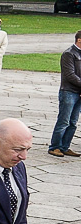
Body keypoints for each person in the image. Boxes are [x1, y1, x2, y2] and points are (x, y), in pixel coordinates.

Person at [48, 30, 81, 158]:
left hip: (78, 92)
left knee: (73, 122)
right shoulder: (69, 54)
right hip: (68, 91)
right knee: (64, 121)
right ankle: (55, 146)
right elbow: (70, 75)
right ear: (79, 40)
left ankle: (65, 146)